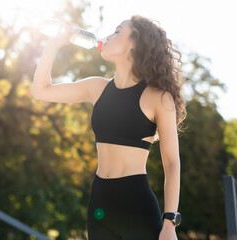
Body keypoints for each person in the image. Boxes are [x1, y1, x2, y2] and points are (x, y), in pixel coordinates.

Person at [31, 14, 186, 240]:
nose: (107, 36)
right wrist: (53, 45)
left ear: (134, 44)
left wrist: (170, 222)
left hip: (136, 202)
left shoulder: (158, 97)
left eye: (117, 31)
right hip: (100, 201)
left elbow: (171, 162)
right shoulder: (97, 88)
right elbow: (40, 90)